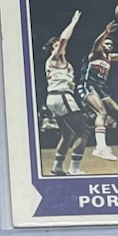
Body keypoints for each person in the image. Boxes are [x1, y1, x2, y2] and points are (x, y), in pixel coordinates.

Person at [78, 21, 118, 162]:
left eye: (111, 44)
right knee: (101, 113)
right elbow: (96, 44)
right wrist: (106, 32)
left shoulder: (109, 57)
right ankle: (100, 148)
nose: (109, 46)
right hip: (87, 85)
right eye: (106, 44)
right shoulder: (95, 54)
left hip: (99, 89)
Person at [42, 11, 90, 176]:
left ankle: (57, 167)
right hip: (61, 96)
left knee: (67, 134)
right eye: (56, 45)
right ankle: (74, 169)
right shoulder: (55, 58)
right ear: (52, 49)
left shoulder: (64, 63)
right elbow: (64, 39)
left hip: (54, 97)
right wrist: (73, 21)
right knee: (83, 132)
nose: (60, 46)